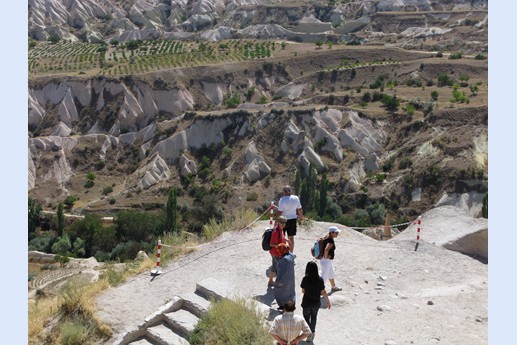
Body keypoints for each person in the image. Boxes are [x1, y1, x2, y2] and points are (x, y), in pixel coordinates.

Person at [301, 261, 331, 342]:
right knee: (314, 317)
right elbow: (323, 292)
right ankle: (312, 332)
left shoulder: (305, 279)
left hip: (307, 303)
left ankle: (309, 332)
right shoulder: (320, 280)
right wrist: (328, 301)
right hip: (316, 303)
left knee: (306, 317)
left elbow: (303, 290)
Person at [277, 185, 303, 255]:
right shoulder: (296, 198)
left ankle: (283, 252)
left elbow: (280, 212)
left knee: (282, 237)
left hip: (283, 220)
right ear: (290, 191)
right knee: (291, 238)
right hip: (293, 219)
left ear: (284, 192)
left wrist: (276, 222)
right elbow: (299, 209)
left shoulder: (282, 200)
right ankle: (291, 253)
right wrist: (301, 218)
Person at [320, 226, 343, 293]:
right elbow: (326, 249)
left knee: (331, 273)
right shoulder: (330, 240)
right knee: (324, 276)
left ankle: (333, 287)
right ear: (331, 233)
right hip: (326, 260)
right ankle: (319, 290)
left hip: (325, 260)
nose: (337, 234)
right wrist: (326, 256)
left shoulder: (326, 237)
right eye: (336, 233)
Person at [274, 242, 296, 311]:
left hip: (283, 281)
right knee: (290, 294)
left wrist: (280, 282)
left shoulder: (283, 260)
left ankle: (283, 307)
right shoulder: (291, 256)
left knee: (279, 294)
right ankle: (289, 306)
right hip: (291, 280)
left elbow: (282, 273)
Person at [268, 215, 288, 287]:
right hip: (276, 253)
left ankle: (271, 281)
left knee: (275, 266)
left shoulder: (280, 229)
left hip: (278, 252)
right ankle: (277, 282)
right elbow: (272, 244)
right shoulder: (276, 231)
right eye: (282, 222)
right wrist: (280, 245)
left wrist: (286, 240)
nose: (284, 224)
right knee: (279, 268)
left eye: (285, 222)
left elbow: (281, 238)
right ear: (278, 222)